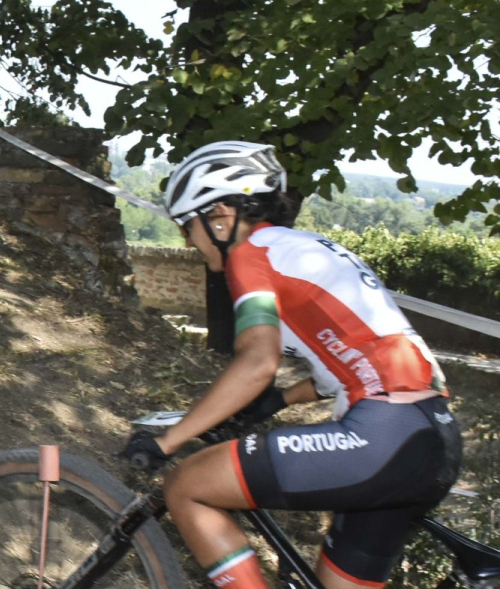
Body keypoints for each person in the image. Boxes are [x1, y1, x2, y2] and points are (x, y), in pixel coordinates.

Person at [122, 141, 460, 589]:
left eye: (187, 225)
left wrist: (169, 441)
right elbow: (344, 364)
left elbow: (258, 361)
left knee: (185, 486)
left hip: (382, 436)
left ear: (220, 214)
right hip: (432, 437)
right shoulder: (309, 249)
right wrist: (276, 402)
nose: (187, 240)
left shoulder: (251, 255)